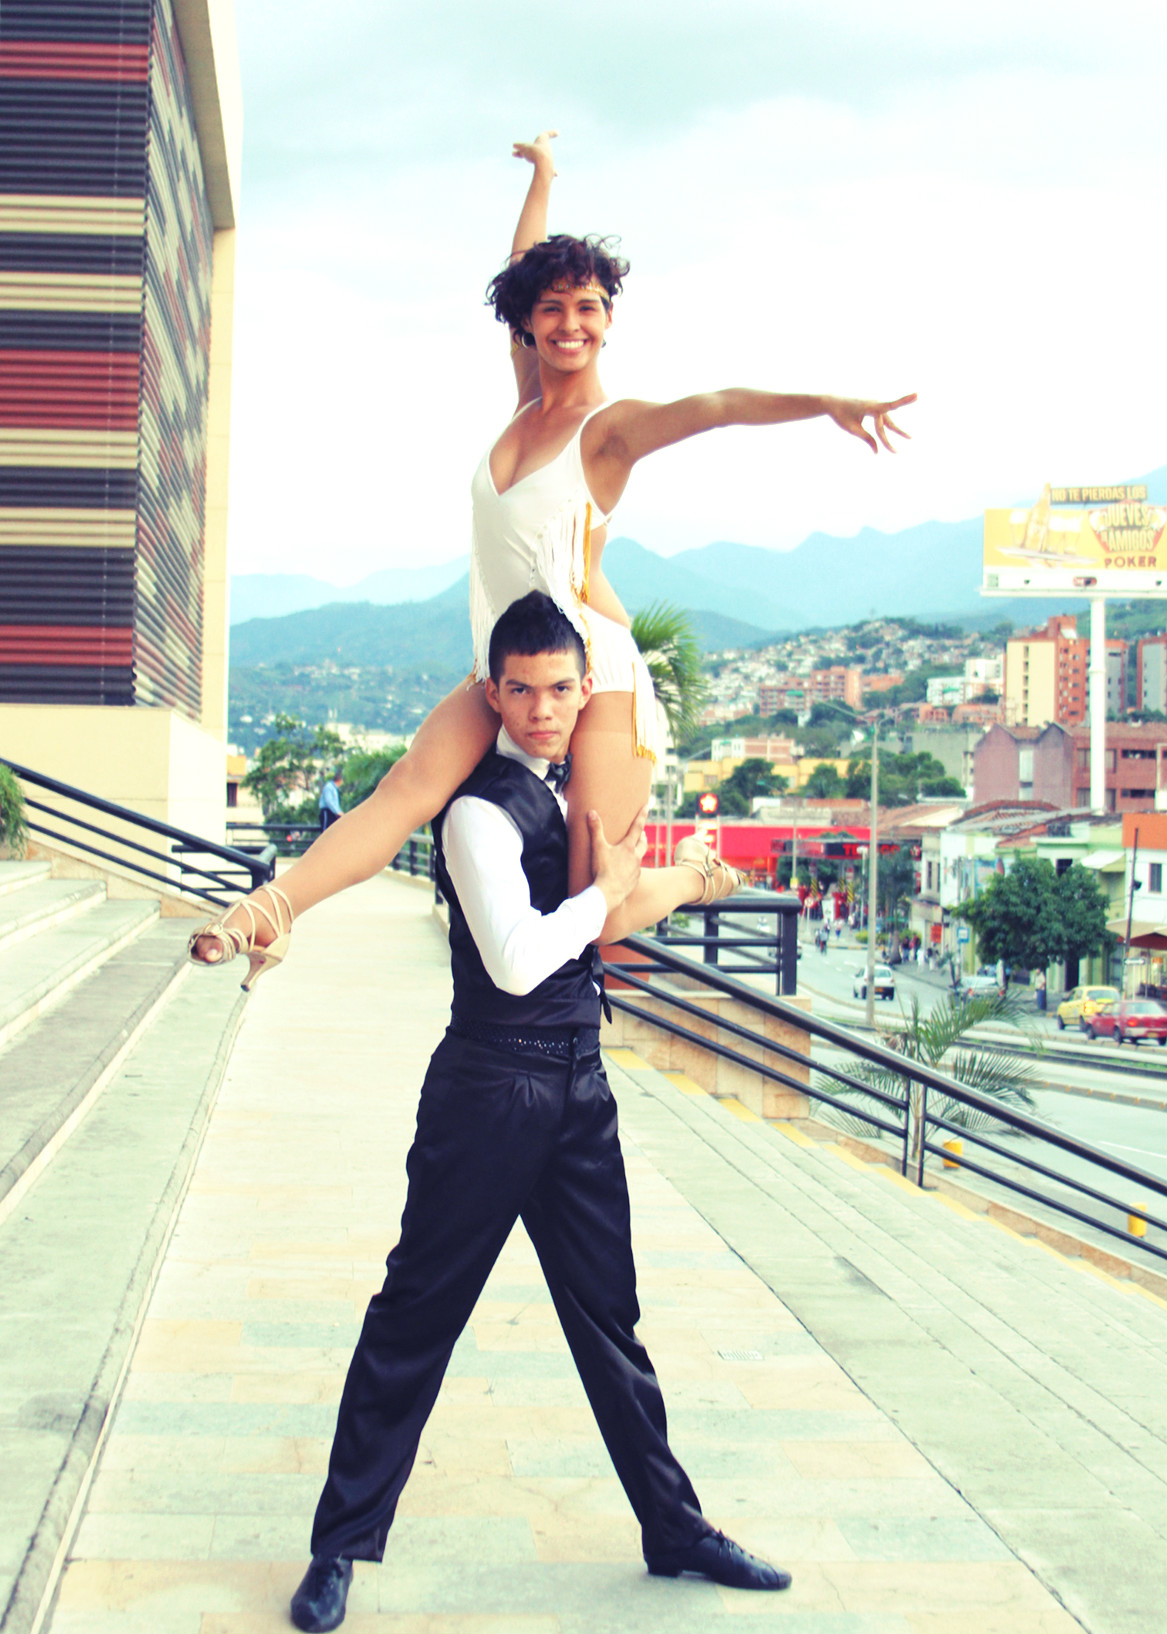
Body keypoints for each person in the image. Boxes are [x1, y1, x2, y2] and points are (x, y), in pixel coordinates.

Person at [191, 130, 914, 981]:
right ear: (526, 321)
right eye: (551, 309)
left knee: (596, 914)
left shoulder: (607, 430)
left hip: (595, 673)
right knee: (406, 790)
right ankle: (266, 913)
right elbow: (522, 260)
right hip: (507, 660)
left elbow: (713, 405)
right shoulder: (521, 403)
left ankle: (693, 874)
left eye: (588, 307)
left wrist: (825, 400)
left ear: (609, 318)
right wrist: (543, 175)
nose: (569, 325)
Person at [288, 594, 791, 1633]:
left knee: (611, 1320)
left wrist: (678, 878)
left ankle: (673, 1525)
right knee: (415, 1316)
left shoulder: (575, 794)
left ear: (581, 689)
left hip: (577, 1085)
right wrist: (605, 893)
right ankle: (338, 1546)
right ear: (494, 692)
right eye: (522, 688)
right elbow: (519, 959)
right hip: (491, 1088)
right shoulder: (474, 809)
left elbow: (599, 911)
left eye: (562, 688)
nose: (543, 707)